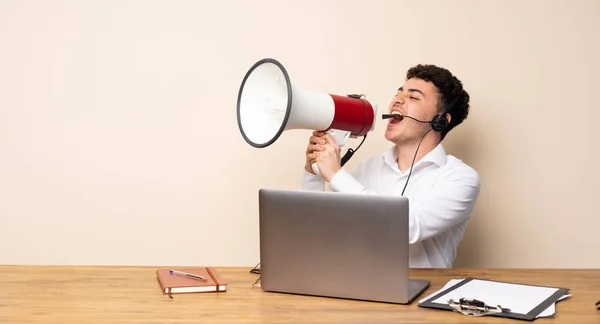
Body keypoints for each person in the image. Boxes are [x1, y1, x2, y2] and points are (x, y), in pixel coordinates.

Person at [300, 64, 481, 268]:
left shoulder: (460, 178)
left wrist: (335, 175)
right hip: (359, 287)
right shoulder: (369, 167)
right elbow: (321, 227)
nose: (397, 100)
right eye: (398, 93)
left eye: (413, 97)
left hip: (423, 294)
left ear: (440, 121)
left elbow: (409, 227)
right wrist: (313, 172)